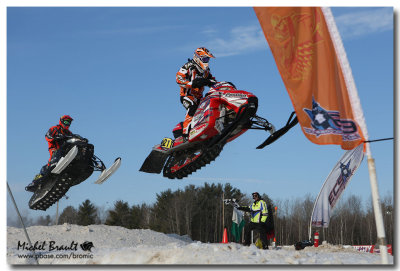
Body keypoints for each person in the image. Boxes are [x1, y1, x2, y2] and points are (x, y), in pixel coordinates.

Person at [25, 115, 74, 192]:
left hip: (65, 149)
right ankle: (40, 177)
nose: (67, 124)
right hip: (54, 148)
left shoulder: (69, 132)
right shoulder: (54, 128)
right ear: (61, 121)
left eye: (69, 122)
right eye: (66, 122)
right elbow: (47, 136)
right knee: (53, 161)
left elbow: (73, 137)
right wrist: (55, 138)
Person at [176, 47, 216, 137]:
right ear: (198, 58)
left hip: (199, 97)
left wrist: (215, 84)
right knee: (192, 108)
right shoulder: (188, 66)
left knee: (207, 109)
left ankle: (205, 130)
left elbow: (212, 80)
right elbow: (178, 78)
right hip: (187, 95)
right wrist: (192, 83)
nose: (207, 61)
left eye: (207, 59)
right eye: (205, 59)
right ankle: (185, 135)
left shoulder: (206, 71)